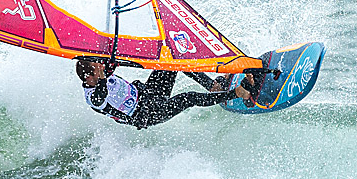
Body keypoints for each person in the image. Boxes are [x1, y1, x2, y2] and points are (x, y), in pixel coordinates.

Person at [75, 60, 256, 129]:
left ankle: (212, 86)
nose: (101, 68)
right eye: (97, 68)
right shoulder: (93, 97)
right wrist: (102, 76)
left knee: (172, 62)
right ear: (89, 77)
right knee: (189, 98)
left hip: (148, 94)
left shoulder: (99, 75)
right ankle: (237, 93)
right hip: (150, 114)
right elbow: (101, 93)